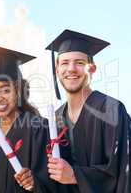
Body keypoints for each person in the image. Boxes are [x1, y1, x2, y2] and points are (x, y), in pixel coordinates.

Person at [46, 29, 131, 193]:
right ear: (57, 70)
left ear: (92, 69)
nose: (71, 69)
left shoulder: (112, 110)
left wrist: (75, 176)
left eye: (79, 62)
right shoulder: (56, 118)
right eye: (64, 63)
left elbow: (123, 169)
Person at [0, 47, 57, 193]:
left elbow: (55, 184)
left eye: (6, 90)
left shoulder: (39, 129)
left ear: (18, 90)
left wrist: (34, 183)